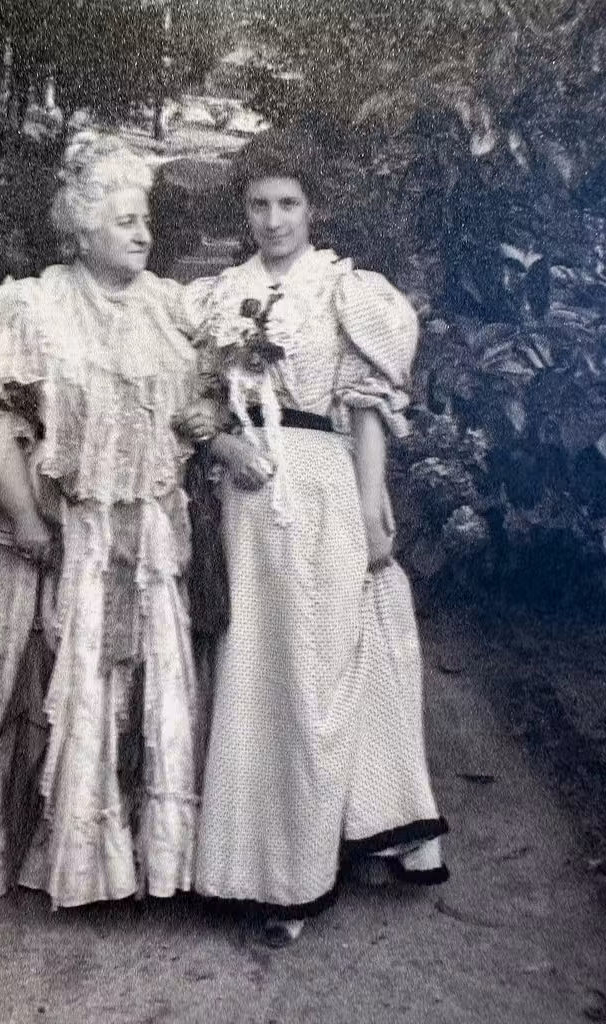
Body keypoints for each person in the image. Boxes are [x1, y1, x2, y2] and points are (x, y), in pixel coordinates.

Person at [180, 129, 448, 947]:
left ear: (312, 207)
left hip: (323, 484)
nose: (273, 220)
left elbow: (365, 410)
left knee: (320, 664)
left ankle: (318, 853)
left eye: (288, 203)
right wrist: (224, 446)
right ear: (244, 210)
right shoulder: (216, 295)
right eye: (258, 205)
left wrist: (371, 509)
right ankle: (262, 869)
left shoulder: (345, 291)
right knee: (254, 667)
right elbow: (196, 406)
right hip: (243, 495)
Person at [0, 132, 204, 908]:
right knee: (72, 682)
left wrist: (201, 421)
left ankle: (144, 862)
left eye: (145, 220)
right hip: (73, 537)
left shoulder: (169, 308)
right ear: (83, 230)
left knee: (149, 686)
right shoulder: (38, 307)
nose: (141, 234)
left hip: (150, 534)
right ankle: (71, 861)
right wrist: (27, 520)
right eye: (124, 221)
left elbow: (212, 395)